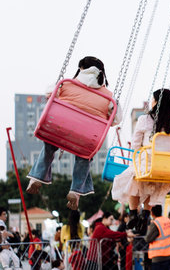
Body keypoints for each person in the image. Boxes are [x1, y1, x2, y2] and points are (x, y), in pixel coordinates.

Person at [26, 56, 122, 210]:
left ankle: (36, 178)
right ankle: (75, 191)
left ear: (81, 68)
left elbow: (48, 93)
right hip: (87, 137)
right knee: (84, 156)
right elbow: (116, 119)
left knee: (49, 146)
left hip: (59, 128)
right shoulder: (109, 96)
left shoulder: (68, 83)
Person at [112, 89, 170, 234]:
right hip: (168, 165)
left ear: (156, 102)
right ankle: (146, 214)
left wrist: (139, 152)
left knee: (134, 178)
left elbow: (136, 144)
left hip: (148, 162)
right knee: (153, 184)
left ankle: (133, 213)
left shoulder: (144, 119)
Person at [144, 205, 170, 270]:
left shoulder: (155, 223)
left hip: (158, 256)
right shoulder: (168, 220)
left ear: (152, 212)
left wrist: (149, 228)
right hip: (169, 254)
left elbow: (148, 239)